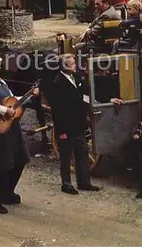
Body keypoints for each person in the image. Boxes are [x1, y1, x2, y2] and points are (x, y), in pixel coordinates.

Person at [0, 54, 40, 214]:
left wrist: (30, 95)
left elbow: (14, 100)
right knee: (3, 165)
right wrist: (5, 110)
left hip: (12, 127)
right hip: (1, 129)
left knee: (20, 159)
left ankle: (7, 192)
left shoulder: (1, 83)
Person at [45, 54, 101, 195]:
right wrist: (61, 131)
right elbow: (57, 110)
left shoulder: (76, 77)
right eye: (73, 64)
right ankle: (67, 183)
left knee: (82, 153)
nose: (75, 65)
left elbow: (85, 92)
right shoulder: (57, 83)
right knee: (66, 156)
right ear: (66, 67)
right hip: (66, 126)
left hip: (79, 123)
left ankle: (84, 182)